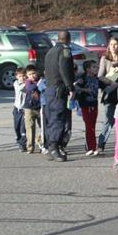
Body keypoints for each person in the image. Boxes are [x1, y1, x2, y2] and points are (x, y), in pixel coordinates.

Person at [44, 31, 76, 162]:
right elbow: (65, 69)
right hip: (59, 89)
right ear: (68, 39)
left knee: (51, 118)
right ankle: (54, 146)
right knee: (58, 118)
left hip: (50, 88)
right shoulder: (64, 51)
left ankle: (50, 146)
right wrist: (70, 87)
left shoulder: (50, 51)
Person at [98, 37, 118, 152]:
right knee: (108, 119)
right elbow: (100, 76)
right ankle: (101, 144)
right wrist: (111, 83)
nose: (113, 47)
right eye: (111, 44)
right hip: (109, 92)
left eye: (116, 44)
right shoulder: (105, 59)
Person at [75, 60, 104, 156]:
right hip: (85, 104)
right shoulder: (83, 78)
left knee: (93, 125)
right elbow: (76, 87)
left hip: (94, 104)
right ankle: (89, 147)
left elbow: (105, 86)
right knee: (89, 126)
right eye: (94, 67)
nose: (97, 69)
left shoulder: (96, 79)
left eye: (97, 67)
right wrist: (85, 90)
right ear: (88, 69)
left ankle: (93, 146)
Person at [23, 65, 41, 154]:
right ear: (27, 76)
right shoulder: (28, 82)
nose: (32, 76)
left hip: (40, 107)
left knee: (44, 127)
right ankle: (30, 147)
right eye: (29, 74)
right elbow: (30, 88)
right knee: (30, 127)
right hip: (29, 108)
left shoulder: (41, 80)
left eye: (33, 73)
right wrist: (38, 84)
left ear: (37, 72)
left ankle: (41, 141)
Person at [13, 67, 27, 152]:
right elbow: (20, 88)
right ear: (16, 77)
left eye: (24, 76)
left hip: (24, 109)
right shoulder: (16, 83)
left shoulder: (27, 84)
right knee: (16, 127)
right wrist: (28, 83)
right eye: (20, 76)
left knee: (23, 128)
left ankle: (23, 144)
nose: (22, 78)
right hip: (16, 109)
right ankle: (19, 140)